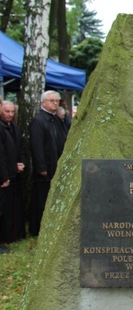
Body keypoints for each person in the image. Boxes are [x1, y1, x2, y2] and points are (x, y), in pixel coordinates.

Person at [28, 90, 69, 236]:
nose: (55, 103)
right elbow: (36, 145)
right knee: (41, 199)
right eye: (51, 100)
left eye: (56, 101)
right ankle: (38, 228)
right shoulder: (39, 121)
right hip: (45, 167)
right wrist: (41, 167)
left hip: (56, 164)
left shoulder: (56, 119)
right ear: (43, 102)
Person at [0, 101, 26, 246]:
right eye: (6, 111)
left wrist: (20, 163)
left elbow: (19, 148)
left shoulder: (14, 127)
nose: (9, 115)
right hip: (5, 175)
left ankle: (13, 234)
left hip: (14, 173)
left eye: (12, 112)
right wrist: (4, 175)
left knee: (13, 208)